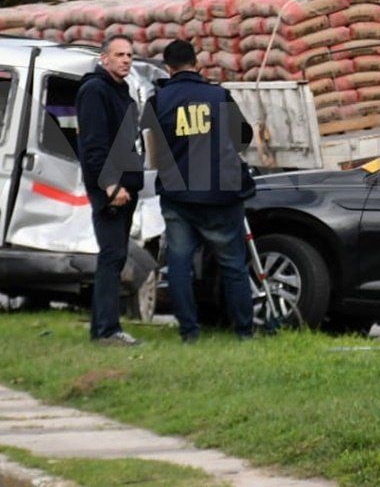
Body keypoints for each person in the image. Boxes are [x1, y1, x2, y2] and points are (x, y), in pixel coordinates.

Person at [145, 39, 255, 343]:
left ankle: (189, 332)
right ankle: (244, 332)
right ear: (197, 63)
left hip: (178, 195)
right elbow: (244, 137)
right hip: (221, 193)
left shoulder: (157, 101)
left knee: (179, 264)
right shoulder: (218, 95)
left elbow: (152, 149)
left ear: (168, 68)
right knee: (233, 264)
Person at [76, 36, 145, 346]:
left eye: (129, 55)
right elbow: (94, 145)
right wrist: (110, 185)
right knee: (111, 256)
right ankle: (106, 330)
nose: (126, 60)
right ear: (104, 58)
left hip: (125, 185)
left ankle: (105, 327)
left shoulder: (120, 89)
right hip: (111, 188)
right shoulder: (95, 90)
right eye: (119, 55)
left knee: (116, 257)